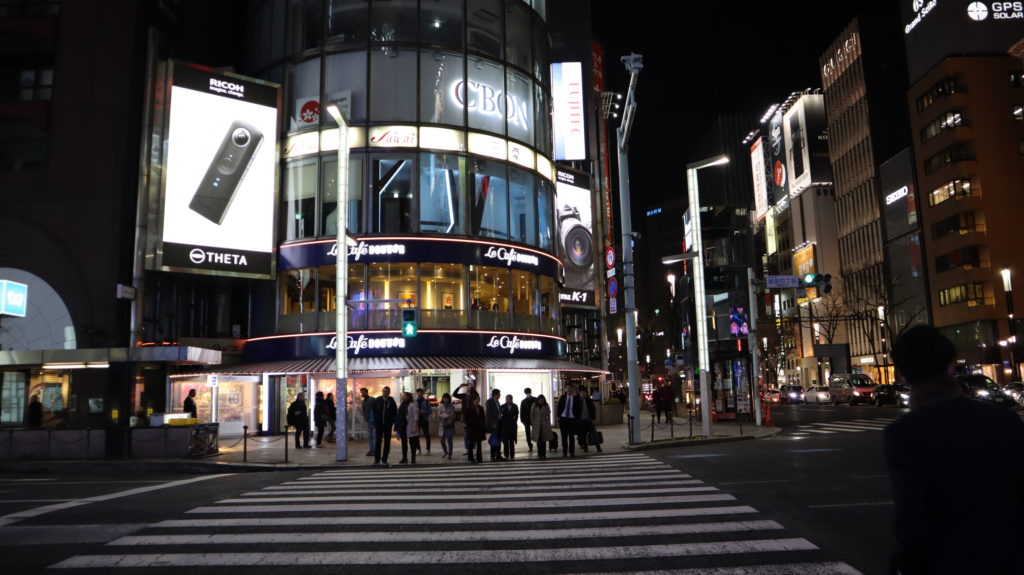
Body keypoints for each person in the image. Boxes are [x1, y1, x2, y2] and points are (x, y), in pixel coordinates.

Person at [884, 324, 1024, 574]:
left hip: (946, 560)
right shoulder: (1005, 421)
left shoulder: (904, 433)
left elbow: (911, 517)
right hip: (1010, 557)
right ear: (951, 366)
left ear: (903, 376)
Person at [372, 386, 397, 467]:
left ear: (389, 392)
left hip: (388, 425)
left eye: (386, 391)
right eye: (384, 391)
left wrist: (394, 423)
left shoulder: (391, 400)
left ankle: (384, 459)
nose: (385, 392)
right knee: (378, 442)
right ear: (382, 392)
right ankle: (377, 460)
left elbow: (395, 412)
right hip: (379, 425)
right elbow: (374, 411)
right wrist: (374, 422)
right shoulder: (378, 400)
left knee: (387, 442)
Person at [453, 380, 480, 456]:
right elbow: (455, 394)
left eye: (469, 388)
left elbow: (476, 394)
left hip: (473, 415)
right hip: (464, 416)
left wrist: (471, 387)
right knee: (466, 433)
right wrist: (459, 387)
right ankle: (467, 449)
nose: (468, 389)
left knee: (473, 432)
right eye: (467, 388)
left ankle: (472, 448)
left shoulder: (474, 395)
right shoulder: (464, 395)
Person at [556, 384, 581, 457]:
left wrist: (577, 418)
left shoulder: (576, 398)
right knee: (564, 436)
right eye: (567, 388)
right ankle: (564, 452)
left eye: (570, 388)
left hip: (572, 419)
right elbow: (559, 407)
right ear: (565, 390)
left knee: (571, 436)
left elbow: (579, 409)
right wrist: (558, 417)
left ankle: (572, 452)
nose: (569, 389)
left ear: (573, 390)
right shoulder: (563, 397)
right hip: (563, 419)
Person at [462, 395, 486, 464]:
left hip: (479, 428)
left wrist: (483, 424)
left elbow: (483, 417)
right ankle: (471, 458)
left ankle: (479, 458)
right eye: (477, 399)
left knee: (479, 444)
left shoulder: (481, 408)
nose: (478, 400)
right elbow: (466, 419)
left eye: (479, 399)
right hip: (472, 428)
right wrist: (469, 426)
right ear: (473, 400)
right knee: (471, 443)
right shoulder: (469, 408)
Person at [530, 394, 553, 459]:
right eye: (540, 400)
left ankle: (543, 454)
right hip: (536, 425)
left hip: (544, 425)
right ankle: (539, 453)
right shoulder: (534, 405)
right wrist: (532, 423)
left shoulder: (546, 405)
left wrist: (548, 423)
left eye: (542, 400)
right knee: (538, 439)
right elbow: (531, 415)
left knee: (544, 439)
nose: (541, 401)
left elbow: (548, 414)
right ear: (538, 400)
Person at [579, 387, 601, 452]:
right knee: (583, 435)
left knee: (593, 434)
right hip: (582, 420)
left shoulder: (589, 401)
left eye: (584, 393)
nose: (583, 394)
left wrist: (593, 419)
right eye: (581, 393)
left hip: (589, 420)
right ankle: (585, 448)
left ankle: (598, 447)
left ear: (586, 394)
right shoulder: (578, 401)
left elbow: (593, 410)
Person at [484, 388, 504, 461]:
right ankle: (493, 456)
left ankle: (498, 455)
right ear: (495, 394)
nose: (500, 395)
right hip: (493, 424)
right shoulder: (489, 402)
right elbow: (488, 414)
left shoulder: (497, 401)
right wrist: (491, 423)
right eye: (499, 394)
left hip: (498, 423)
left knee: (498, 439)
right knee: (494, 440)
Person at [498, 393, 519, 460]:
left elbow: (516, 414)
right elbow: (500, 414)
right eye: (507, 399)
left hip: (512, 425)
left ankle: (512, 454)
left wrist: (514, 421)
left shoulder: (515, 406)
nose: (508, 400)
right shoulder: (502, 406)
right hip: (505, 425)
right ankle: (506, 454)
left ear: (511, 399)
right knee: (505, 441)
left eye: (510, 399)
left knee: (512, 441)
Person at [437, 392, 456, 459]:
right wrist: (443, 415)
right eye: (444, 398)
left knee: (449, 440)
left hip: (449, 424)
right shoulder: (440, 406)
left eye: (447, 398)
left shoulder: (452, 406)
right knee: (442, 440)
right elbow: (439, 414)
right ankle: (445, 452)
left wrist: (447, 416)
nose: (445, 399)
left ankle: (450, 454)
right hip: (442, 424)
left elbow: (453, 414)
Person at [360, 388, 377, 457]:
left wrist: (375, 420)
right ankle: (371, 449)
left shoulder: (372, 400)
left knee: (374, 436)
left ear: (367, 392)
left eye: (363, 392)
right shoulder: (364, 402)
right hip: (368, 421)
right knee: (370, 436)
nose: (362, 394)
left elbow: (376, 410)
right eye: (361, 392)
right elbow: (364, 411)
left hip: (374, 421)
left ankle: (375, 450)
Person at [519, 387, 537, 452]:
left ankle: (530, 446)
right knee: (536, 432)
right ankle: (536, 445)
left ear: (524, 393)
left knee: (528, 433)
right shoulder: (535, 399)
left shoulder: (523, 401)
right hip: (534, 419)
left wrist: (522, 419)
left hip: (526, 419)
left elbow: (521, 411)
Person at [415, 388, 432, 455]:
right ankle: (418, 449)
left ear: (423, 393)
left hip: (424, 420)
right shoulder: (415, 402)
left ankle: (428, 449)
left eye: (421, 392)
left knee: (427, 435)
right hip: (417, 420)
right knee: (416, 435)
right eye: (418, 392)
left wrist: (422, 411)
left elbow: (430, 411)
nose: (419, 393)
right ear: (417, 393)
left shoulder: (426, 402)